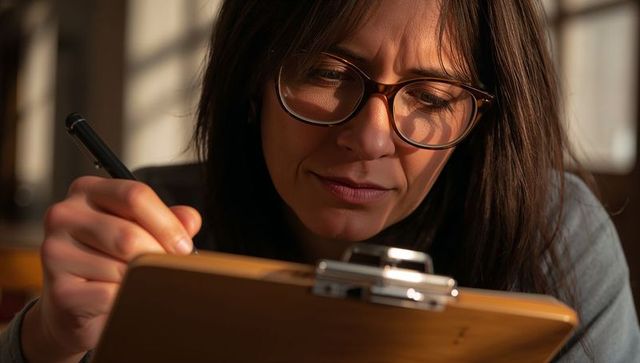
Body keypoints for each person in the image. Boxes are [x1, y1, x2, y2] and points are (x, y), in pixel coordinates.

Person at [1, 0, 639, 361]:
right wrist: (47, 340)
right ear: (253, 78)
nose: (369, 138)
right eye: (329, 75)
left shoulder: (557, 243)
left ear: (480, 119)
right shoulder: (151, 230)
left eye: (434, 95)